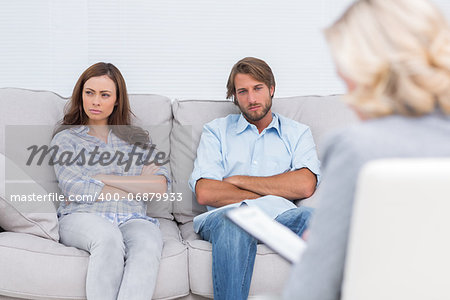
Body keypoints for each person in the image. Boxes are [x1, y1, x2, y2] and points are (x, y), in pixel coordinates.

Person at [283, 0, 450, 299]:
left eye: (345, 76)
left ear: (370, 71)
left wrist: (320, 255)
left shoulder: (357, 149)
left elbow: (310, 291)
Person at [189, 57, 321, 300]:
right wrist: (275, 190)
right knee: (235, 223)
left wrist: (238, 179)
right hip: (227, 215)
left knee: (316, 220)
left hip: (281, 216)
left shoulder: (297, 132)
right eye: (243, 91)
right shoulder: (216, 131)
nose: (251, 99)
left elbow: (304, 185)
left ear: (271, 88)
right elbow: (206, 192)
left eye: (257, 88)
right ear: (235, 97)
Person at [51, 62, 170, 300]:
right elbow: (75, 188)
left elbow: (159, 188)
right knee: (107, 238)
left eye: (104, 95)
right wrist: (136, 185)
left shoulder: (139, 140)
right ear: (81, 95)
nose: (95, 101)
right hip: (82, 216)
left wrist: (103, 178)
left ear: (116, 100)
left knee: (148, 244)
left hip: (133, 218)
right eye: (90, 93)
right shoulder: (66, 140)